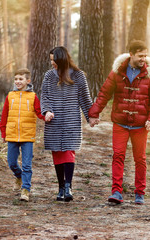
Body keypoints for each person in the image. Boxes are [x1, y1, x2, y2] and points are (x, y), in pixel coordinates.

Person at [88, 40, 150, 205]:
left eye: (145, 55)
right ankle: (116, 192)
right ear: (131, 54)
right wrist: (94, 113)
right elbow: (104, 93)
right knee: (118, 156)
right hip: (120, 122)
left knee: (140, 159)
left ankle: (139, 193)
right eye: (140, 55)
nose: (144, 59)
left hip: (140, 125)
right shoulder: (117, 71)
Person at [41, 46, 93, 202]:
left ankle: (68, 187)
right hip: (54, 120)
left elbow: (84, 97)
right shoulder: (49, 76)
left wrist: (91, 116)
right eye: (50, 60)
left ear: (61, 59)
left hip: (71, 120)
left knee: (69, 151)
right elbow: (45, 96)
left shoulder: (78, 76)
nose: (52, 63)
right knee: (57, 152)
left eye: (54, 60)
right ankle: (61, 187)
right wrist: (47, 111)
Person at [0, 68, 45, 202]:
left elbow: (39, 112)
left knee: (27, 165)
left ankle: (25, 189)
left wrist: (47, 116)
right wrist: (3, 132)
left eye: (21, 79)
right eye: (16, 79)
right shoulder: (10, 96)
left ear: (28, 81)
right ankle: (19, 176)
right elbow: (4, 116)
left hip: (27, 135)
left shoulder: (33, 97)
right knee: (12, 162)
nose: (18, 81)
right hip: (12, 134)